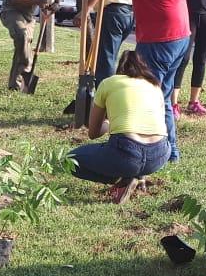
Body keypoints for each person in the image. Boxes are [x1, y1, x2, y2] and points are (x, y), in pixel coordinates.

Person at [81, 0, 190, 162]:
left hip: (159, 38)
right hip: (180, 35)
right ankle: (171, 150)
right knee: (162, 94)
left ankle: (159, 151)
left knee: (151, 96)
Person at [70, 50, 170, 204]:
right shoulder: (154, 86)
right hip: (160, 154)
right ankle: (136, 176)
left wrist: (109, 124)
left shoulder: (109, 83)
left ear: (120, 69)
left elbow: (93, 132)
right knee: (134, 157)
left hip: (127, 152)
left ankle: (124, 179)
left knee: (70, 160)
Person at [73, 0, 135, 87]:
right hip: (128, 11)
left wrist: (86, 9)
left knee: (105, 61)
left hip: (112, 11)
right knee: (110, 58)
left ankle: (105, 100)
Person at [0, 0, 61, 91]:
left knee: (23, 46)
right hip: (11, 11)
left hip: (29, 16)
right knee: (22, 36)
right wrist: (37, 1)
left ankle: (14, 85)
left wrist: (56, 3)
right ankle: (26, 68)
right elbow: (15, 0)